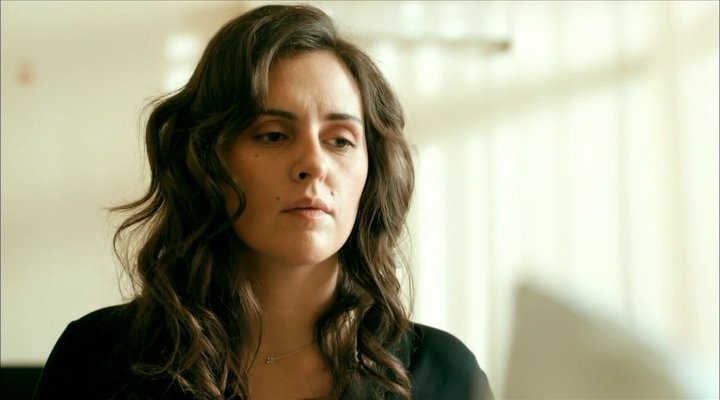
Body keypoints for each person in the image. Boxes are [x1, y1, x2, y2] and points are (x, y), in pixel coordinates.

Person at [33, 4, 493, 400]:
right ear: (207, 158)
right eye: (273, 135)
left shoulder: (444, 375)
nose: (313, 164)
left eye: (340, 140)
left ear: (372, 172)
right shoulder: (98, 360)